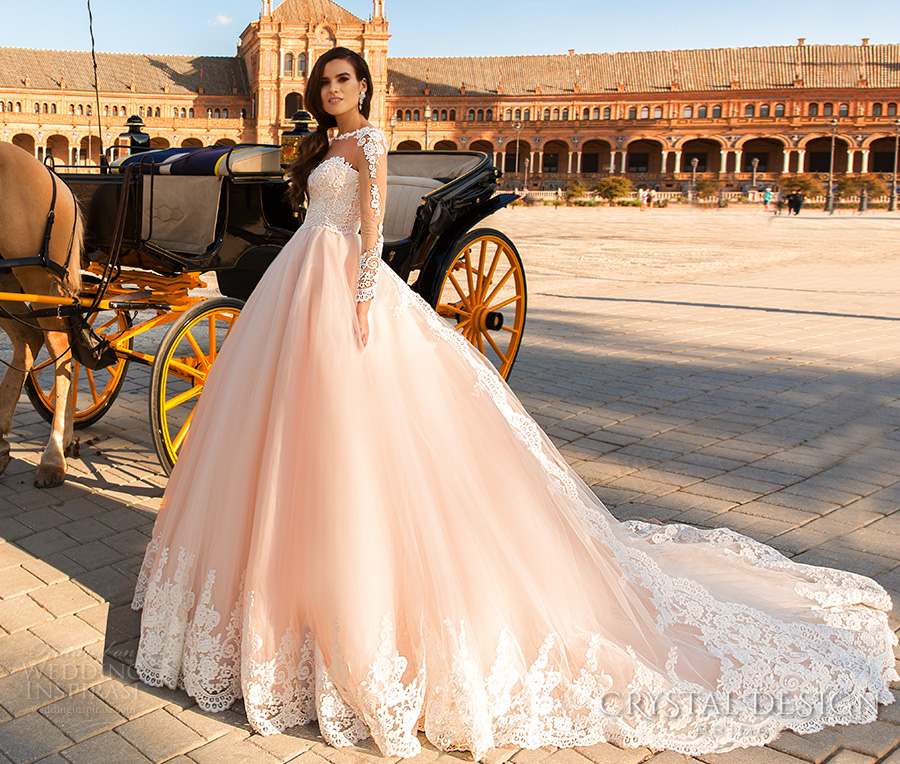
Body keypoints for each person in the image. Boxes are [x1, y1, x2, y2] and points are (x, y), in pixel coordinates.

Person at [131, 47, 897, 760]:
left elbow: (372, 236)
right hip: (298, 281)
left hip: (344, 287)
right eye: (324, 83)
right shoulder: (318, 147)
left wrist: (365, 304)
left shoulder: (368, 144)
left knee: (349, 436)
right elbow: (316, 221)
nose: (333, 92)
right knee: (279, 430)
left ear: (364, 86)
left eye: (343, 80)